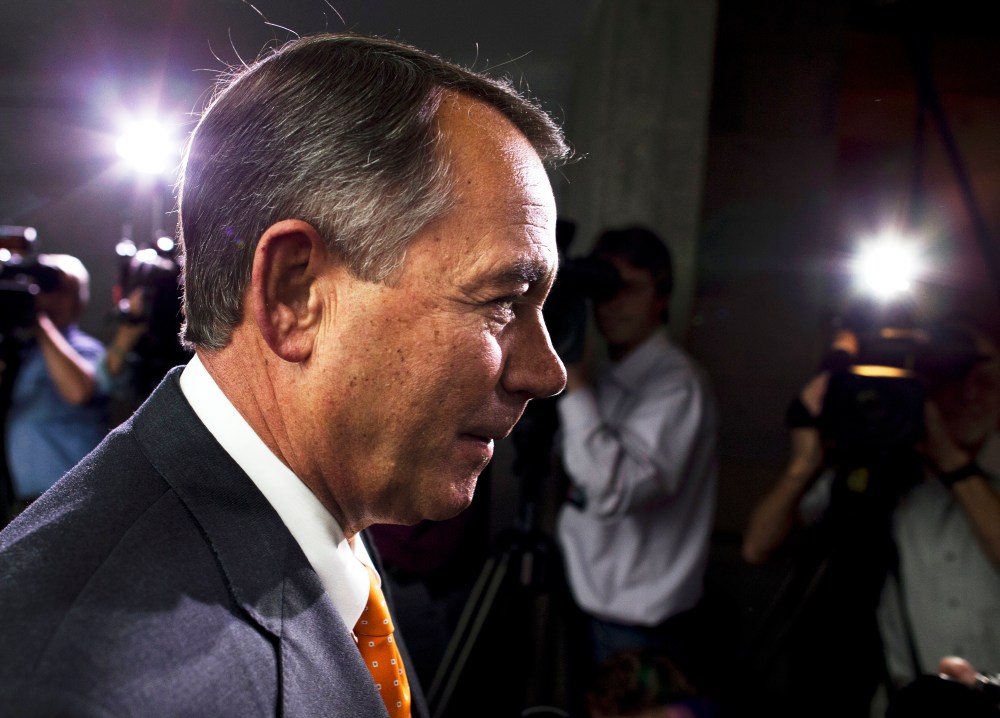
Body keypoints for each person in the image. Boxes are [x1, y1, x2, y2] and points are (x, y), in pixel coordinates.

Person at [0, 33, 568, 717]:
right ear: (296, 294)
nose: (547, 372)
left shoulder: (320, 489)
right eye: (503, 301)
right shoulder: (86, 691)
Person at [742, 317, 1000, 713]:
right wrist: (804, 465)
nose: (969, 395)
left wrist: (954, 465)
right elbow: (758, 547)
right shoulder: (886, 463)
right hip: (910, 701)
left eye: (986, 381)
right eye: (953, 379)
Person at [556, 227, 719, 689]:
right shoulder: (610, 377)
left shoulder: (678, 384)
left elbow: (611, 491)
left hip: (639, 623)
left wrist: (576, 386)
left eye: (629, 288)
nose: (612, 302)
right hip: (592, 600)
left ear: (661, 297)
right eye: (604, 288)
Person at [2, 253, 107, 513]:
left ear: (81, 298)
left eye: (65, 290)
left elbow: (77, 391)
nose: (54, 298)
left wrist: (38, 319)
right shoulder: (20, 350)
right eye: (49, 289)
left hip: (71, 500)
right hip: (22, 502)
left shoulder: (87, 350)